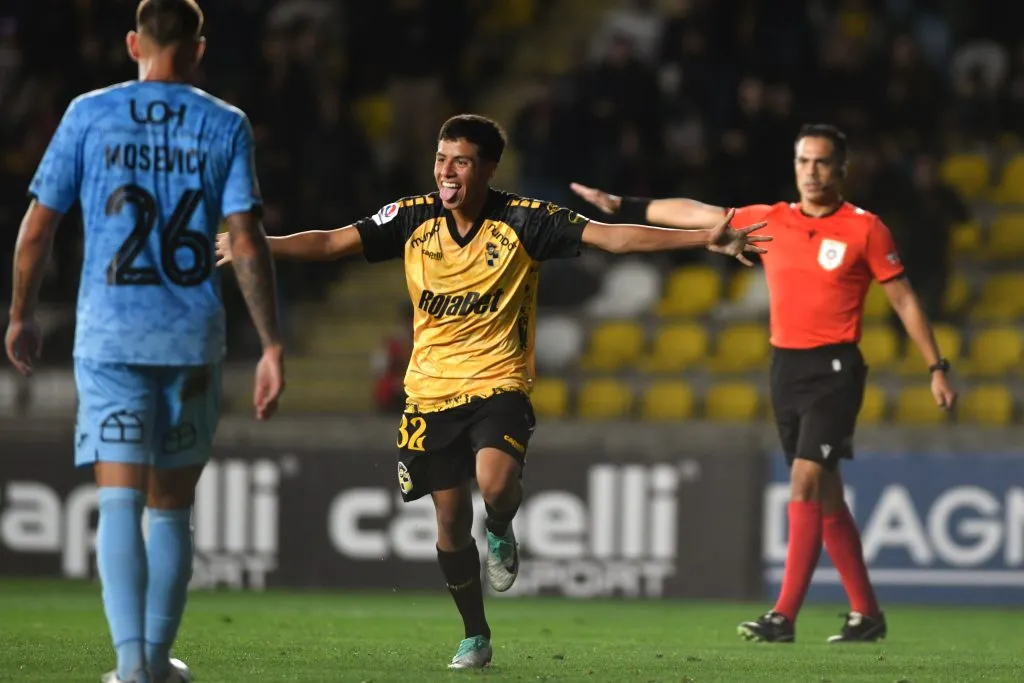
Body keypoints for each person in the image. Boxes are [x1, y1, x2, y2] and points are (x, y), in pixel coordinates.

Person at [216, 113, 770, 669]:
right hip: (429, 393)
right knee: (451, 520)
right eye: (440, 159)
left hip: (498, 381)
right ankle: (475, 634)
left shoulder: (524, 221)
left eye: (460, 160)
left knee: (495, 481)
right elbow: (334, 242)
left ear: (488, 168)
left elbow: (612, 237)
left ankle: (502, 526)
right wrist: (257, 244)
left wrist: (702, 237)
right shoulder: (412, 218)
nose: (446, 171)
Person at [571, 123, 957, 644]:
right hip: (786, 369)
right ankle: (867, 614)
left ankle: (783, 615)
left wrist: (936, 367)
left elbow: (904, 298)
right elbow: (696, 213)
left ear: (841, 170)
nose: (812, 172)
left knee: (802, 481)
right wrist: (624, 203)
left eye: (822, 163)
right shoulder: (771, 221)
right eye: (804, 161)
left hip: (836, 370)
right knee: (827, 498)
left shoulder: (865, 229)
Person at [4, 2, 286, 681]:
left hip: (109, 335)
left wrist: (21, 312)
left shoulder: (88, 113)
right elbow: (244, 239)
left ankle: (131, 666)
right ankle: (158, 661)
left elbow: (38, 228)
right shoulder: (225, 123)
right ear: (199, 49)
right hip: (191, 337)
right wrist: (272, 342)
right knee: (171, 505)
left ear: (134, 43)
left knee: (119, 499)